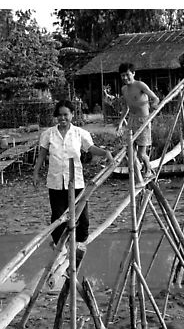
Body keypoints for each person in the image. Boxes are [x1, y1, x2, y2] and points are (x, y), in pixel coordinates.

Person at [33, 99, 114, 250]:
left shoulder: (79, 133)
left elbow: (91, 148)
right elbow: (42, 155)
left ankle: (79, 245)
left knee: (83, 218)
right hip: (56, 181)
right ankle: (59, 245)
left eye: (66, 115)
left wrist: (106, 153)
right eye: (60, 115)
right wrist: (35, 173)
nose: (62, 118)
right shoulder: (48, 134)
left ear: (72, 115)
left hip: (76, 180)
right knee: (58, 217)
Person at [116, 62, 160, 180]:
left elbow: (155, 98)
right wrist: (120, 123)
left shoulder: (140, 85)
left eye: (127, 74)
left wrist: (155, 104)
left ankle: (148, 169)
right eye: (122, 75)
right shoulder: (124, 89)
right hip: (131, 120)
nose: (125, 78)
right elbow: (126, 108)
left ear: (133, 73)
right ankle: (137, 174)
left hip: (143, 121)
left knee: (141, 153)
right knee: (130, 152)